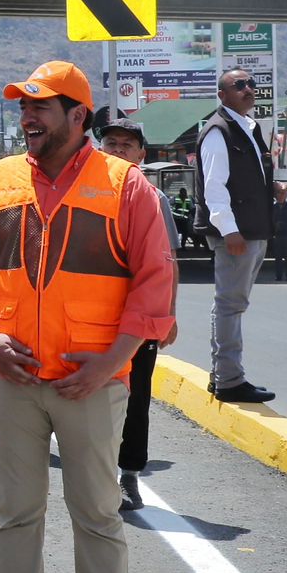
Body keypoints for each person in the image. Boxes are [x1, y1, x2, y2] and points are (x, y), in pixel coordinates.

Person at [0, 62, 175, 573]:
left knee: (99, 514)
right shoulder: (2, 179)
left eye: (40, 108)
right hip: (11, 376)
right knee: (14, 515)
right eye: (24, 107)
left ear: (79, 117)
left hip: (92, 384)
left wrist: (110, 363)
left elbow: (155, 284)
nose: (27, 118)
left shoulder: (126, 187)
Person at [95, 119, 179, 513]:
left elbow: (167, 261)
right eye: (111, 143)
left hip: (139, 318)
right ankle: (91, 473)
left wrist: (169, 313)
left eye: (127, 145)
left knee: (136, 396)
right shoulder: (85, 193)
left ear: (141, 155)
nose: (118, 150)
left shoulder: (153, 199)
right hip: (92, 315)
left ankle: (128, 475)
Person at [193, 68, 279, 404]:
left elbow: (245, 176)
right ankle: (229, 379)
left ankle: (225, 375)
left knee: (234, 304)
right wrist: (230, 231)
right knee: (229, 304)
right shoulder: (219, 131)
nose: (248, 89)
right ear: (222, 94)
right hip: (237, 234)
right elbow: (215, 188)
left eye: (251, 84)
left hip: (253, 229)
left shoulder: (248, 127)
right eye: (239, 85)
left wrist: (271, 189)